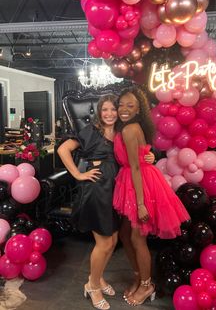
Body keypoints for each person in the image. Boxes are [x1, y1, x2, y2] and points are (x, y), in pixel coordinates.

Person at [57, 94, 155, 310]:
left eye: (113, 109)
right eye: (105, 110)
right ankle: (92, 286)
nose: (110, 114)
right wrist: (78, 174)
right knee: (105, 243)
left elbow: (135, 155)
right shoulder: (91, 131)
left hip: (116, 190)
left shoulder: (122, 132)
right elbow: (63, 149)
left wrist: (149, 157)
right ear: (99, 112)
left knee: (113, 239)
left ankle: (97, 277)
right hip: (97, 189)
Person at [113, 87, 190, 306]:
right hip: (133, 179)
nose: (124, 110)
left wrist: (140, 204)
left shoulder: (129, 130)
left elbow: (136, 168)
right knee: (125, 235)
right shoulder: (127, 127)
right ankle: (139, 277)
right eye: (121, 105)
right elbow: (142, 154)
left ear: (139, 110)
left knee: (137, 238)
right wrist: (149, 155)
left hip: (140, 184)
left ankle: (147, 285)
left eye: (130, 106)